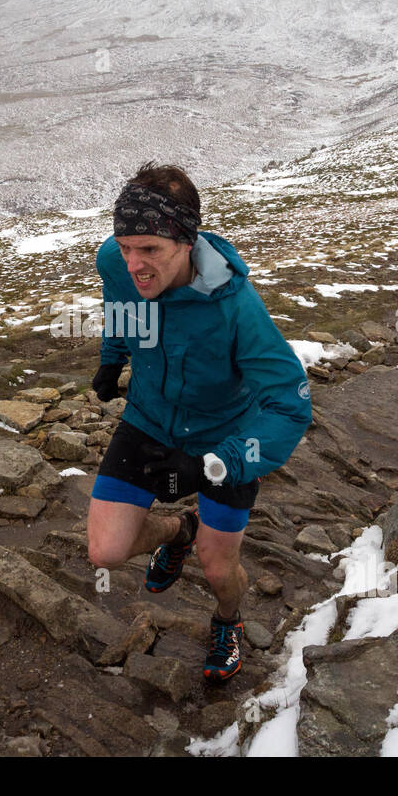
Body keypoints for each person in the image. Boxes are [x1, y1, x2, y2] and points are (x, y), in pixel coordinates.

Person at [87, 162, 311, 683]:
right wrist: (113, 356)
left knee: (217, 568)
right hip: (148, 417)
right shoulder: (115, 262)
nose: (134, 263)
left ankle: (227, 621)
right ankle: (178, 529)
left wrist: (213, 466)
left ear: (187, 242)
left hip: (225, 437)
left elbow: (289, 404)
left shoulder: (236, 308)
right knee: (105, 550)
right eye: (126, 247)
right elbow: (121, 301)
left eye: (150, 251)